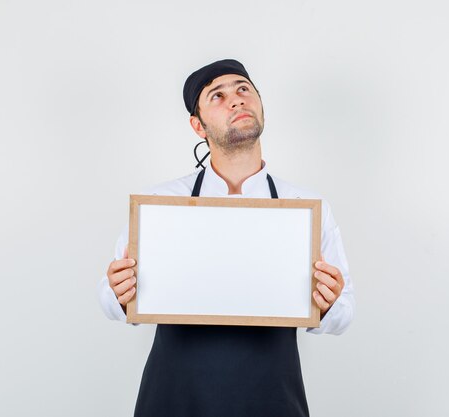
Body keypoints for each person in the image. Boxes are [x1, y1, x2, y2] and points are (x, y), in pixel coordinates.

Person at [98, 59, 354, 417]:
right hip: (174, 399)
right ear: (197, 126)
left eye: (243, 89)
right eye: (217, 96)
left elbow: (343, 314)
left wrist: (328, 301)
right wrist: (118, 290)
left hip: (272, 399)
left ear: (261, 105)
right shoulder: (160, 205)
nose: (236, 100)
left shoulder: (305, 208)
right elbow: (111, 302)